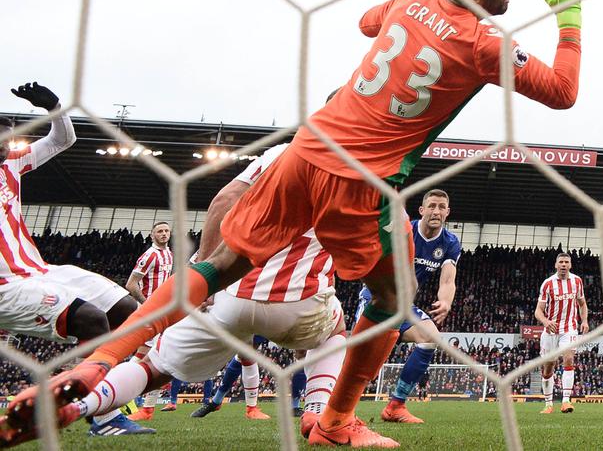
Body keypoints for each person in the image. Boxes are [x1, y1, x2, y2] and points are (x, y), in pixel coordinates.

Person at [8, 0, 585, 447]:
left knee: (218, 264)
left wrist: (405, 25)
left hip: (305, 149)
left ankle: (96, 367)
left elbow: (367, 22)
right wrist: (568, 17)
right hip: (359, 178)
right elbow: (562, 93)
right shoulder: (485, 43)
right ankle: (333, 419)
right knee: (390, 300)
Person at [10, 140, 349, 445]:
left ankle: (79, 408)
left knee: (152, 367)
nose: (162, 232)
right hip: (295, 297)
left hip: (222, 293)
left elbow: (225, 200)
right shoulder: (360, 164)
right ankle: (319, 414)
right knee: (336, 328)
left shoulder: (281, 151)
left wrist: (207, 275)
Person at [0, 83, 148, 438]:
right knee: (90, 319)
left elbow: (61, 140)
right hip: (6, 286)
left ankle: (87, 398)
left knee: (126, 310)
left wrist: (54, 106)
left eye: (8, 139)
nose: (6, 146)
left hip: (40, 270)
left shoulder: (12, 166)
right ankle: (103, 419)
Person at [353, 188, 461, 425]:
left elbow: (448, 279)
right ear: (422, 210)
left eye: (441, 207)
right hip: (376, 298)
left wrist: (445, 301)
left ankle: (396, 405)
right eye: (431, 206)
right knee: (361, 357)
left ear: (448, 212)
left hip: (404, 305)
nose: (436, 211)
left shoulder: (450, 242)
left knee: (430, 337)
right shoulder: (403, 230)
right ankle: (339, 408)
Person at [124, 221, 176, 418]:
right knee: (152, 356)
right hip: (150, 313)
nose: (163, 234)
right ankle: (124, 394)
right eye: (159, 231)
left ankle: (144, 406)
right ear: (152, 235)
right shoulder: (149, 255)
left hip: (163, 312)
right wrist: (147, 304)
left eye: (166, 231)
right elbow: (131, 284)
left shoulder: (169, 254)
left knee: (154, 355)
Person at [535, 251, 589, 414]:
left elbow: (582, 303)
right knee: (548, 368)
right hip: (550, 331)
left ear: (570, 265)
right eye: (561, 262)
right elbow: (538, 311)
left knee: (569, 358)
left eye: (566, 262)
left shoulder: (577, 281)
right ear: (556, 265)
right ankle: (549, 404)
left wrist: (584, 320)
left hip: (569, 328)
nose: (564, 265)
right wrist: (545, 321)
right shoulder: (548, 284)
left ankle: (566, 401)